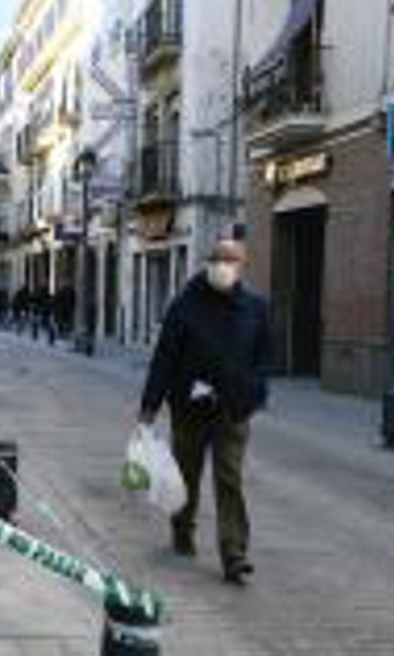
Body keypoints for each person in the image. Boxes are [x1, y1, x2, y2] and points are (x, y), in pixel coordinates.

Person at [138, 239, 272, 586]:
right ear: (208, 263)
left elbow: (264, 359)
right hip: (190, 408)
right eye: (217, 258)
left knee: (230, 479)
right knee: (187, 475)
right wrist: (150, 405)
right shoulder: (184, 305)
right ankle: (182, 529)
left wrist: (253, 394)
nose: (222, 265)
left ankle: (234, 554)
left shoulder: (256, 308)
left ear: (241, 265)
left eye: (230, 259)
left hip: (233, 409)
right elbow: (164, 357)